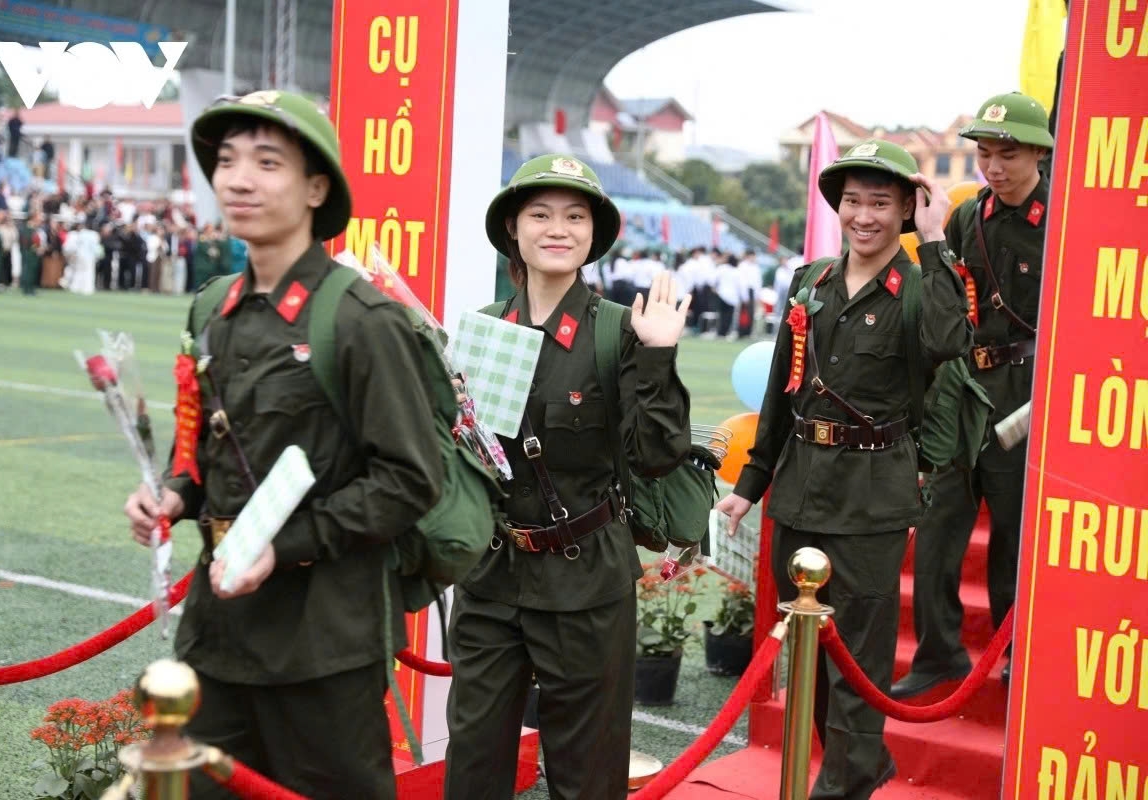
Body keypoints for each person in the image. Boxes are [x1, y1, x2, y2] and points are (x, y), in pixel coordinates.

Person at [121, 89, 444, 799]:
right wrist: (172, 495)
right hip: (220, 634)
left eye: (268, 162)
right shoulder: (214, 309)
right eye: (228, 161)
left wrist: (288, 543)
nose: (239, 179)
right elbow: (207, 445)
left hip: (322, 644)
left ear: (315, 188)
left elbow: (411, 479)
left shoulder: (359, 321)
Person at [715, 139, 972, 800]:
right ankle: (852, 761)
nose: (865, 215)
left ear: (905, 211)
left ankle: (842, 782)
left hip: (872, 494)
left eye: (881, 203)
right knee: (810, 652)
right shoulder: (812, 282)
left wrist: (937, 236)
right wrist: (751, 486)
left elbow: (950, 341)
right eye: (853, 201)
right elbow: (782, 390)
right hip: (800, 487)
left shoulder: (918, 288)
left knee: (857, 651)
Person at [444, 154, 692, 800]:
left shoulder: (620, 331)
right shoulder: (484, 330)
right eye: (541, 214)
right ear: (514, 230)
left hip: (586, 582)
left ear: (592, 234)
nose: (558, 228)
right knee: (472, 765)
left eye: (575, 216)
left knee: (586, 774)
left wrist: (660, 355)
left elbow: (656, 454)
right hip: (492, 580)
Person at [892, 92, 1053, 698]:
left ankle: (1015, 655)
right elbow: (948, 301)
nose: (994, 166)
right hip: (965, 387)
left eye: (1007, 154)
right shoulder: (967, 217)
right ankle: (939, 654)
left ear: (1039, 150)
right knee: (937, 524)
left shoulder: (1064, 217)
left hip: (1028, 388)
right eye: (985, 154)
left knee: (1014, 533)